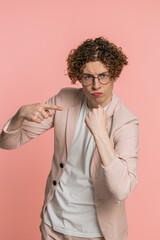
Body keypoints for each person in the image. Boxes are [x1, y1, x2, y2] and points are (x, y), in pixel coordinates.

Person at [0, 37, 140, 240]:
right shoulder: (64, 100)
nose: (95, 85)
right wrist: (19, 116)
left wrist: (101, 135)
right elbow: (7, 143)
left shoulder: (126, 122)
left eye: (103, 76)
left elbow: (121, 190)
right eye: (88, 77)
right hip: (53, 226)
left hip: (96, 232)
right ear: (79, 77)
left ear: (114, 75)